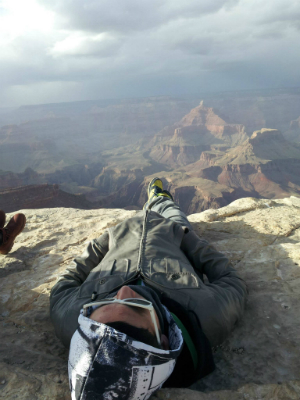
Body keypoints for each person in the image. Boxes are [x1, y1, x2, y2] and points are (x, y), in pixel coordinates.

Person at [50, 178, 248, 400]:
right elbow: (231, 279)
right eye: (136, 306)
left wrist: (103, 243)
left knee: (145, 211)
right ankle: (159, 198)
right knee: (170, 209)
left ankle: (150, 203)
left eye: (105, 302)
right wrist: (188, 240)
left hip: (125, 232)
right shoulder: (207, 315)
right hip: (171, 233)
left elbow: (66, 281)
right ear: (164, 341)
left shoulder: (71, 319)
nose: (123, 292)